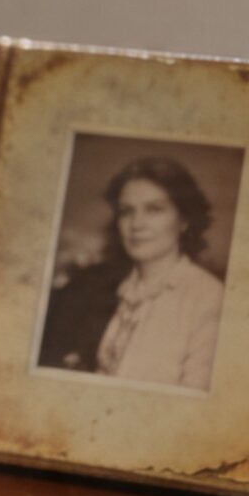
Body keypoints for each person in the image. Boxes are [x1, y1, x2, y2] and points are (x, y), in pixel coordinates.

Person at [45, 157, 225, 390]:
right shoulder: (109, 289)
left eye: (154, 209)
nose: (136, 224)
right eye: (126, 211)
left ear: (184, 220)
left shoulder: (208, 297)